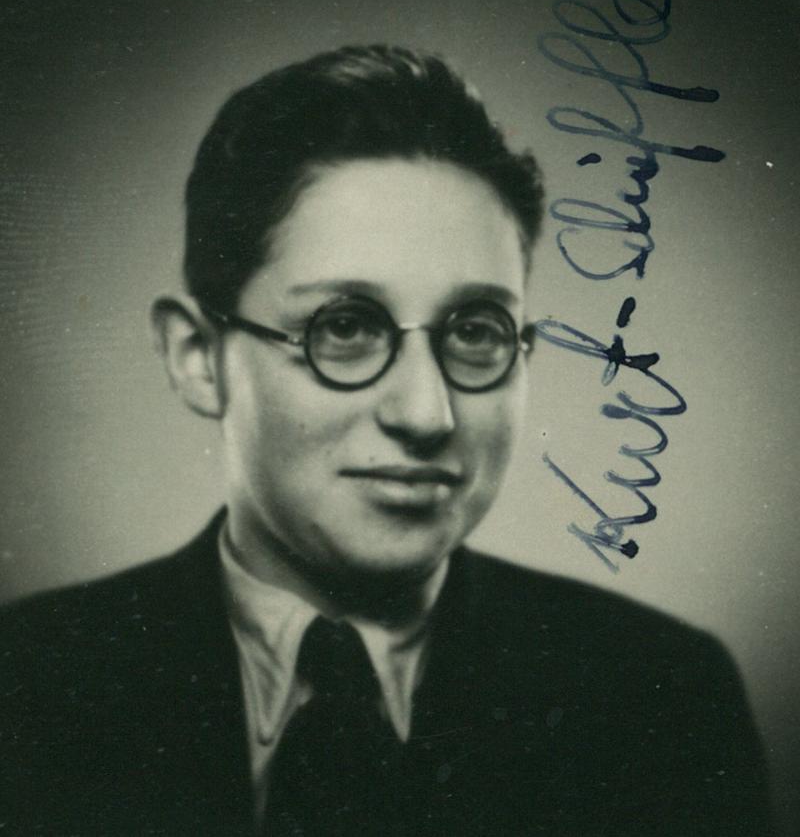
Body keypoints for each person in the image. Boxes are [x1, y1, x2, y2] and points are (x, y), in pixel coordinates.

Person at [0, 45, 774, 836]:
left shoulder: (660, 699)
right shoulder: (25, 683)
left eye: (475, 330)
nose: (427, 413)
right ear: (198, 358)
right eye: (344, 327)